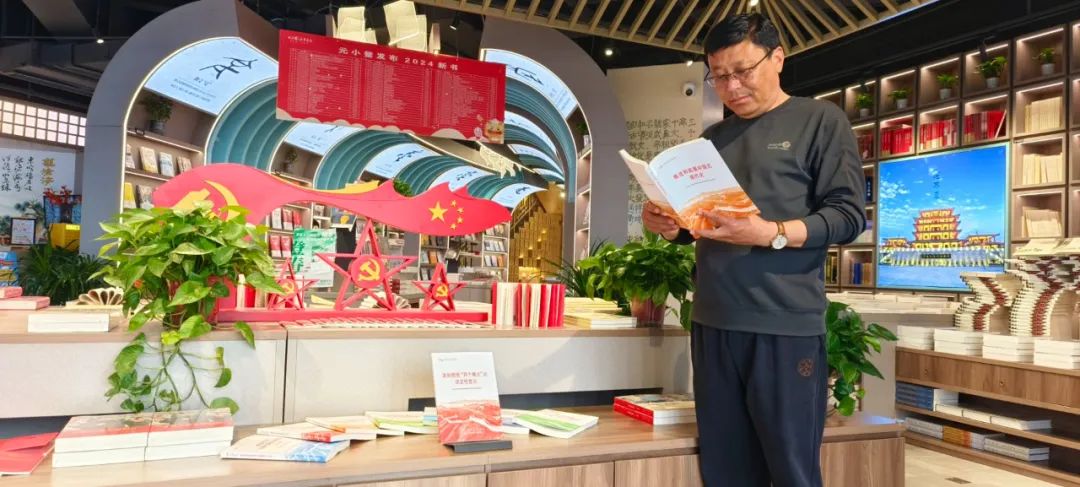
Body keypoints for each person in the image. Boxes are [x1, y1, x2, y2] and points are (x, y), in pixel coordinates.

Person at [641, 13, 866, 487]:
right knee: (724, 469)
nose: (731, 86)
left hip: (783, 324)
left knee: (790, 471)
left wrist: (771, 233)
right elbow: (700, 225)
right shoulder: (712, 140)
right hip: (713, 323)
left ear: (777, 58)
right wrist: (669, 226)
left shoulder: (819, 121)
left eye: (742, 71)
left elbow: (848, 216)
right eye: (719, 76)